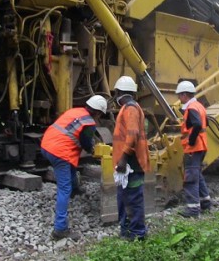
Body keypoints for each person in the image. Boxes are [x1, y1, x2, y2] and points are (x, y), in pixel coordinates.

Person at [41, 95, 107, 241]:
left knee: (70, 166)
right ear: (97, 112)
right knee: (64, 189)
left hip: (46, 144)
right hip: (59, 152)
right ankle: (60, 229)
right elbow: (85, 142)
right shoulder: (89, 123)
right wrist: (94, 150)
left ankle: (75, 189)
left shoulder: (75, 111)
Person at [112, 76, 151, 240]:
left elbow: (133, 135)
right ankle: (126, 231)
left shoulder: (130, 109)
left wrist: (123, 158)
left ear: (119, 92)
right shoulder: (128, 108)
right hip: (128, 164)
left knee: (133, 199)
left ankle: (137, 234)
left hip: (131, 163)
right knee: (124, 198)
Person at [175, 81, 211, 217]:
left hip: (194, 147)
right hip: (202, 146)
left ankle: (193, 210)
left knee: (190, 177)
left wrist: (190, 140)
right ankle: (205, 203)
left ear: (185, 95)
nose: (179, 98)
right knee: (198, 174)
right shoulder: (199, 106)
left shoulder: (191, 108)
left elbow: (196, 124)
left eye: (180, 95)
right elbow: (205, 123)